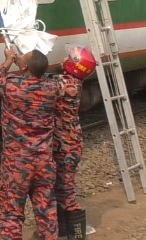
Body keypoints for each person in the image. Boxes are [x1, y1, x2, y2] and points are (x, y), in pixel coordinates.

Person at [0, 46, 60, 240]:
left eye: (22, 58)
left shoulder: (12, 85)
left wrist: (9, 61)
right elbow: (42, 73)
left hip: (17, 163)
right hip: (44, 161)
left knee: (11, 213)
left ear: (24, 66)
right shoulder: (52, 88)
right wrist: (27, 64)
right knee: (47, 211)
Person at [52, 45, 97, 240]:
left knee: (66, 190)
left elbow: (38, 84)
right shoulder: (71, 82)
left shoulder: (66, 86)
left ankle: (77, 234)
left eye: (69, 57)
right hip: (67, 144)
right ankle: (62, 230)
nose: (64, 58)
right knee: (59, 187)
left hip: (66, 147)